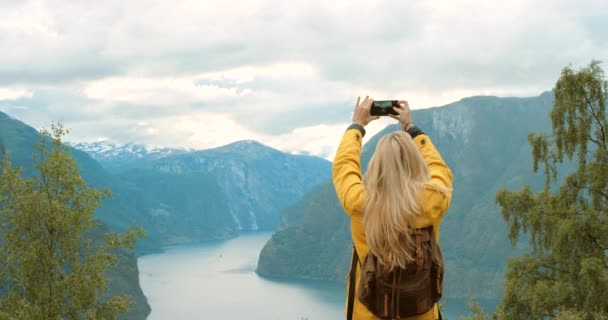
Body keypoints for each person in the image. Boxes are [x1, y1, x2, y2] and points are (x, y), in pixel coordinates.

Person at [332, 96, 453, 320]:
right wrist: (411, 128)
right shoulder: (434, 199)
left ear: (377, 166)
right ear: (416, 163)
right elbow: (439, 168)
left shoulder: (361, 203)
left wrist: (357, 126)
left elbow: (344, 168)